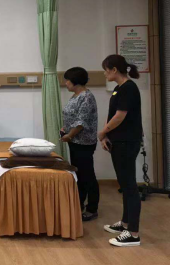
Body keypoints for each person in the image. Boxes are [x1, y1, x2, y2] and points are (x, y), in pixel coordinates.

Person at [98, 55, 143, 247]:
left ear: (114, 70)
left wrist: (102, 132)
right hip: (119, 141)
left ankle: (133, 233)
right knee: (124, 184)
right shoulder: (119, 88)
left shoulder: (128, 88)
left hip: (127, 142)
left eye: (106, 70)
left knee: (130, 186)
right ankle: (125, 223)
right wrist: (107, 136)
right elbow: (113, 115)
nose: (105, 73)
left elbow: (119, 116)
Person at [61, 67, 100, 221]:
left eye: (67, 80)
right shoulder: (75, 96)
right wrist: (65, 129)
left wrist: (69, 135)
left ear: (75, 81)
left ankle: (92, 208)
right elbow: (72, 116)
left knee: (87, 175)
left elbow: (81, 122)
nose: (65, 83)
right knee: (79, 174)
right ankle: (79, 204)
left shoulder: (86, 97)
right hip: (74, 141)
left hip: (83, 142)